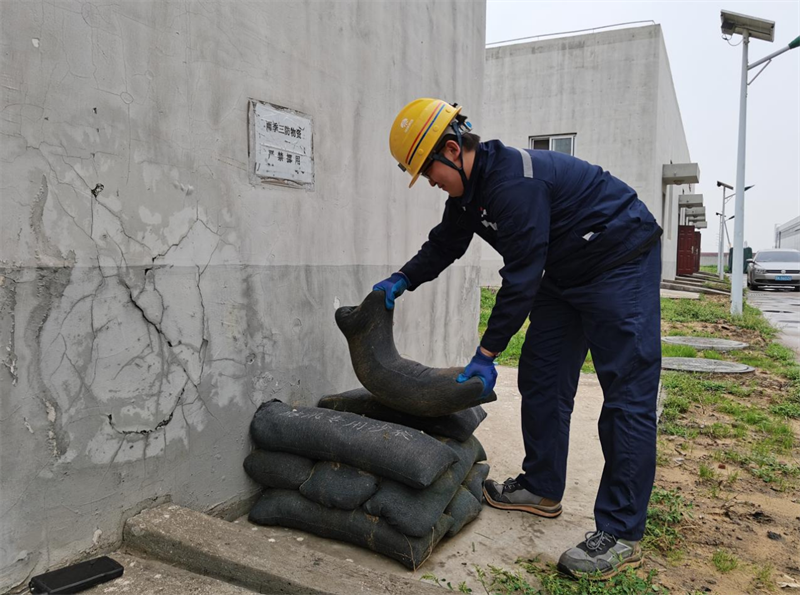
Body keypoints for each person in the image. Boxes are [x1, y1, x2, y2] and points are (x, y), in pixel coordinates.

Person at [373, 98, 662, 580]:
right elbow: (446, 243)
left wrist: (487, 353)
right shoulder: (469, 193)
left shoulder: (513, 183)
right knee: (543, 376)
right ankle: (542, 487)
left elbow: (522, 277)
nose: (429, 182)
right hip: (563, 269)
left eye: (428, 171)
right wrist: (401, 279)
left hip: (618, 259)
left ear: (451, 149)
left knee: (626, 394)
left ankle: (621, 531)